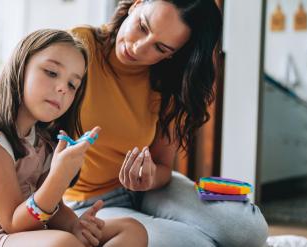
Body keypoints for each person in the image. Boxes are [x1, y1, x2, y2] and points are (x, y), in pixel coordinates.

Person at [63, 0, 269, 246]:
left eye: (160, 48)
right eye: (142, 26)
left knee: (249, 230)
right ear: (136, 4)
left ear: (174, 54)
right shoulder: (79, 47)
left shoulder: (168, 81)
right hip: (88, 201)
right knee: (198, 244)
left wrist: (149, 178)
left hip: (149, 191)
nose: (139, 48)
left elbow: (163, 167)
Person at [0, 29, 146, 247]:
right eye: (52, 72)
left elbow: (54, 210)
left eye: (73, 84)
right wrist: (60, 176)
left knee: (131, 229)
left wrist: (76, 226)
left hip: (20, 237)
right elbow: (14, 224)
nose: (63, 87)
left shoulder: (42, 142)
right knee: (62, 243)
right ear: (21, 66)